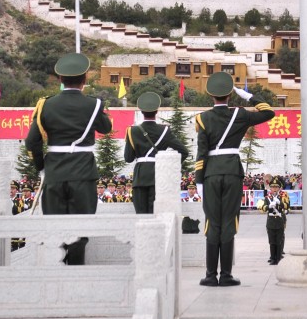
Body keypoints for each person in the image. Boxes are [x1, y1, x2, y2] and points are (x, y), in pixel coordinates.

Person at [24, 52, 112, 265]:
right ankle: (76, 273)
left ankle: (57, 275)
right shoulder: (94, 105)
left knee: (55, 228)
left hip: (54, 173)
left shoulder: (46, 105)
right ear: (84, 80)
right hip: (83, 173)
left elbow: (32, 142)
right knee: (80, 229)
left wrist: (41, 167)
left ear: (60, 80)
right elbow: (106, 128)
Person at [195, 71, 275, 287]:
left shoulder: (202, 119)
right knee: (229, 221)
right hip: (232, 172)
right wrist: (248, 96)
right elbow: (268, 112)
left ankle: (211, 275)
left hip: (210, 174)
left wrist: (199, 180)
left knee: (213, 221)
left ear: (211, 96)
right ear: (230, 95)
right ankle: (227, 274)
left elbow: (201, 152)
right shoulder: (240, 115)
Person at [124, 92, 190, 214]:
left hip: (140, 177)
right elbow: (184, 151)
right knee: (157, 217)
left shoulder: (132, 131)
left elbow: (128, 158)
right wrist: (169, 167)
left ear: (142, 112)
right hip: (160, 176)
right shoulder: (165, 131)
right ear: (157, 111)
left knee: (141, 217)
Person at [258, 176, 290, 265]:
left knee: (279, 240)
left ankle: (278, 257)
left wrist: (280, 203)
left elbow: (287, 206)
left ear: (279, 188)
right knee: (271, 241)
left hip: (279, 220)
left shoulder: (282, 196)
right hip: (271, 221)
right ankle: (272, 258)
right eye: (272, 187)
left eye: (276, 187)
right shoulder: (267, 197)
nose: (274, 189)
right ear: (270, 188)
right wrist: (269, 206)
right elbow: (263, 208)